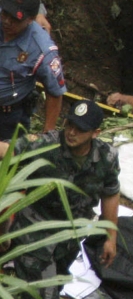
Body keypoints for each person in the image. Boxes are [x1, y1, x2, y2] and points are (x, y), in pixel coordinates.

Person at [1, 101, 120, 282]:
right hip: (35, 230)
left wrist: (110, 237)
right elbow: (9, 150)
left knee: (58, 282)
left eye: (80, 129)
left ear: (96, 133)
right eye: (69, 125)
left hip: (70, 234)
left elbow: (110, 193)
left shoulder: (106, 157)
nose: (72, 133)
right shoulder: (48, 144)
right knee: (43, 298)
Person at [0, 0, 64, 138]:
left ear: (30, 19)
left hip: (8, 118)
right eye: (5, 14)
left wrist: (47, 134)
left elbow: (54, 91)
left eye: (15, 19)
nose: (7, 21)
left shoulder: (42, 49)